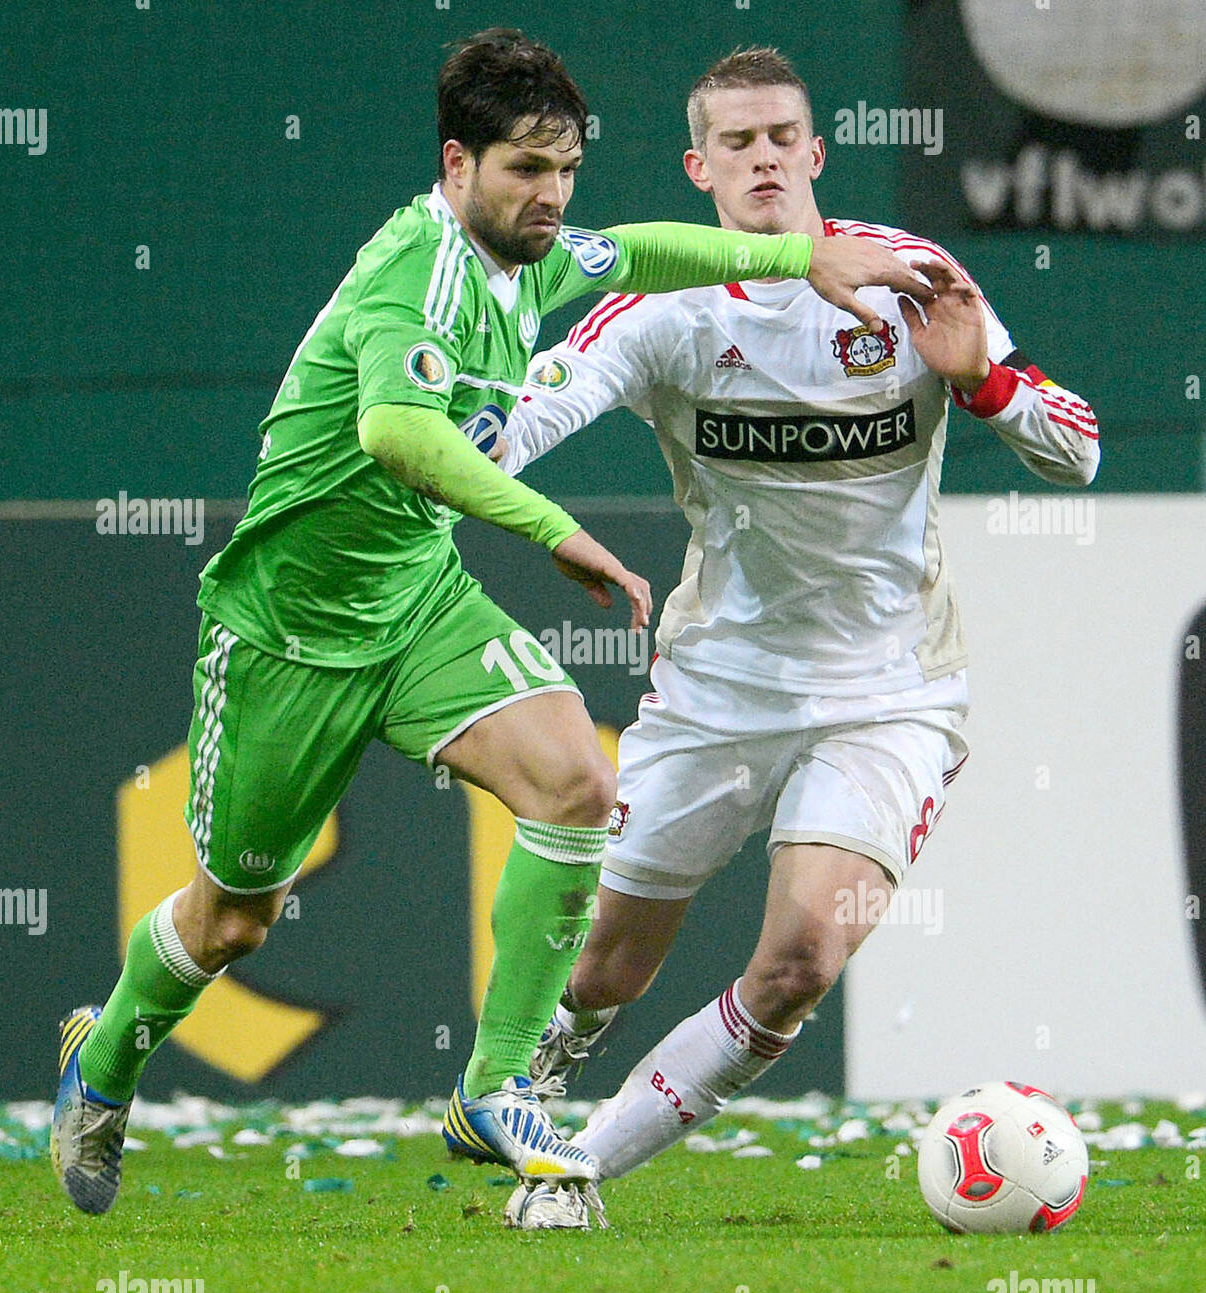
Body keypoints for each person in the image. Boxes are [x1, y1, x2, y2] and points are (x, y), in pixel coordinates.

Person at [49, 30, 932, 1216]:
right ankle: (101, 1066)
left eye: (563, 168)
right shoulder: (412, 274)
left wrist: (797, 256)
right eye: (524, 169)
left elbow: (650, 248)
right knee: (233, 919)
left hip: (417, 603)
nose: (550, 195)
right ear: (457, 164)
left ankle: (495, 1083)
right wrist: (551, 529)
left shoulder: (531, 252)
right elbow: (396, 436)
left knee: (575, 779)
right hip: (287, 632)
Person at [496, 46, 1099, 1229]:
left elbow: (1076, 447)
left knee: (801, 962)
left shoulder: (913, 279)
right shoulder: (665, 306)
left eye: (783, 136)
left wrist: (981, 383)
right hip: (718, 686)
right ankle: (531, 1076)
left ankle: (574, 1179)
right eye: (737, 141)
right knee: (602, 965)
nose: (763, 155)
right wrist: (452, 462)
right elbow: (522, 419)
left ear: (817, 156)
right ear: (699, 168)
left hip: (891, 692)